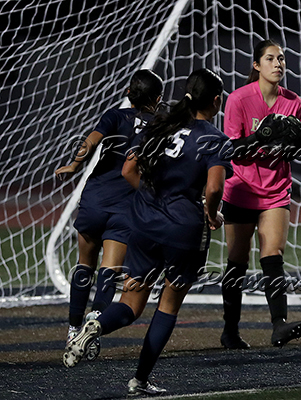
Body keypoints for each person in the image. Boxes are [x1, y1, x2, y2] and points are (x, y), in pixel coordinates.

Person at [63, 68, 232, 397]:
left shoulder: (160, 125)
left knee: (131, 302)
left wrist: (152, 199)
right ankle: (139, 380)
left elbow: (129, 169)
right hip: (183, 229)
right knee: (168, 305)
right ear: (215, 101)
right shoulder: (214, 138)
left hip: (143, 222)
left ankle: (95, 325)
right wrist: (211, 214)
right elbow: (214, 188)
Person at [55, 69, 163, 359]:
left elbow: (90, 141)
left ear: (129, 93)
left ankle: (72, 330)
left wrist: (74, 165)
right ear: (158, 98)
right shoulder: (160, 126)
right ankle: (92, 330)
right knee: (109, 271)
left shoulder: (115, 115)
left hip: (95, 199)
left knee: (84, 265)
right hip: (127, 206)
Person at [219, 39, 301, 350]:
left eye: (281, 58)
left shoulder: (293, 102)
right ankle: (230, 330)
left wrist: (296, 143)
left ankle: (279, 324)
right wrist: (260, 136)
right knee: (237, 260)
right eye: (270, 58)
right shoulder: (238, 99)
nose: (278, 63)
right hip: (241, 189)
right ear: (256, 65)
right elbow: (230, 149)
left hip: (276, 189)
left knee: (273, 254)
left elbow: (291, 150)